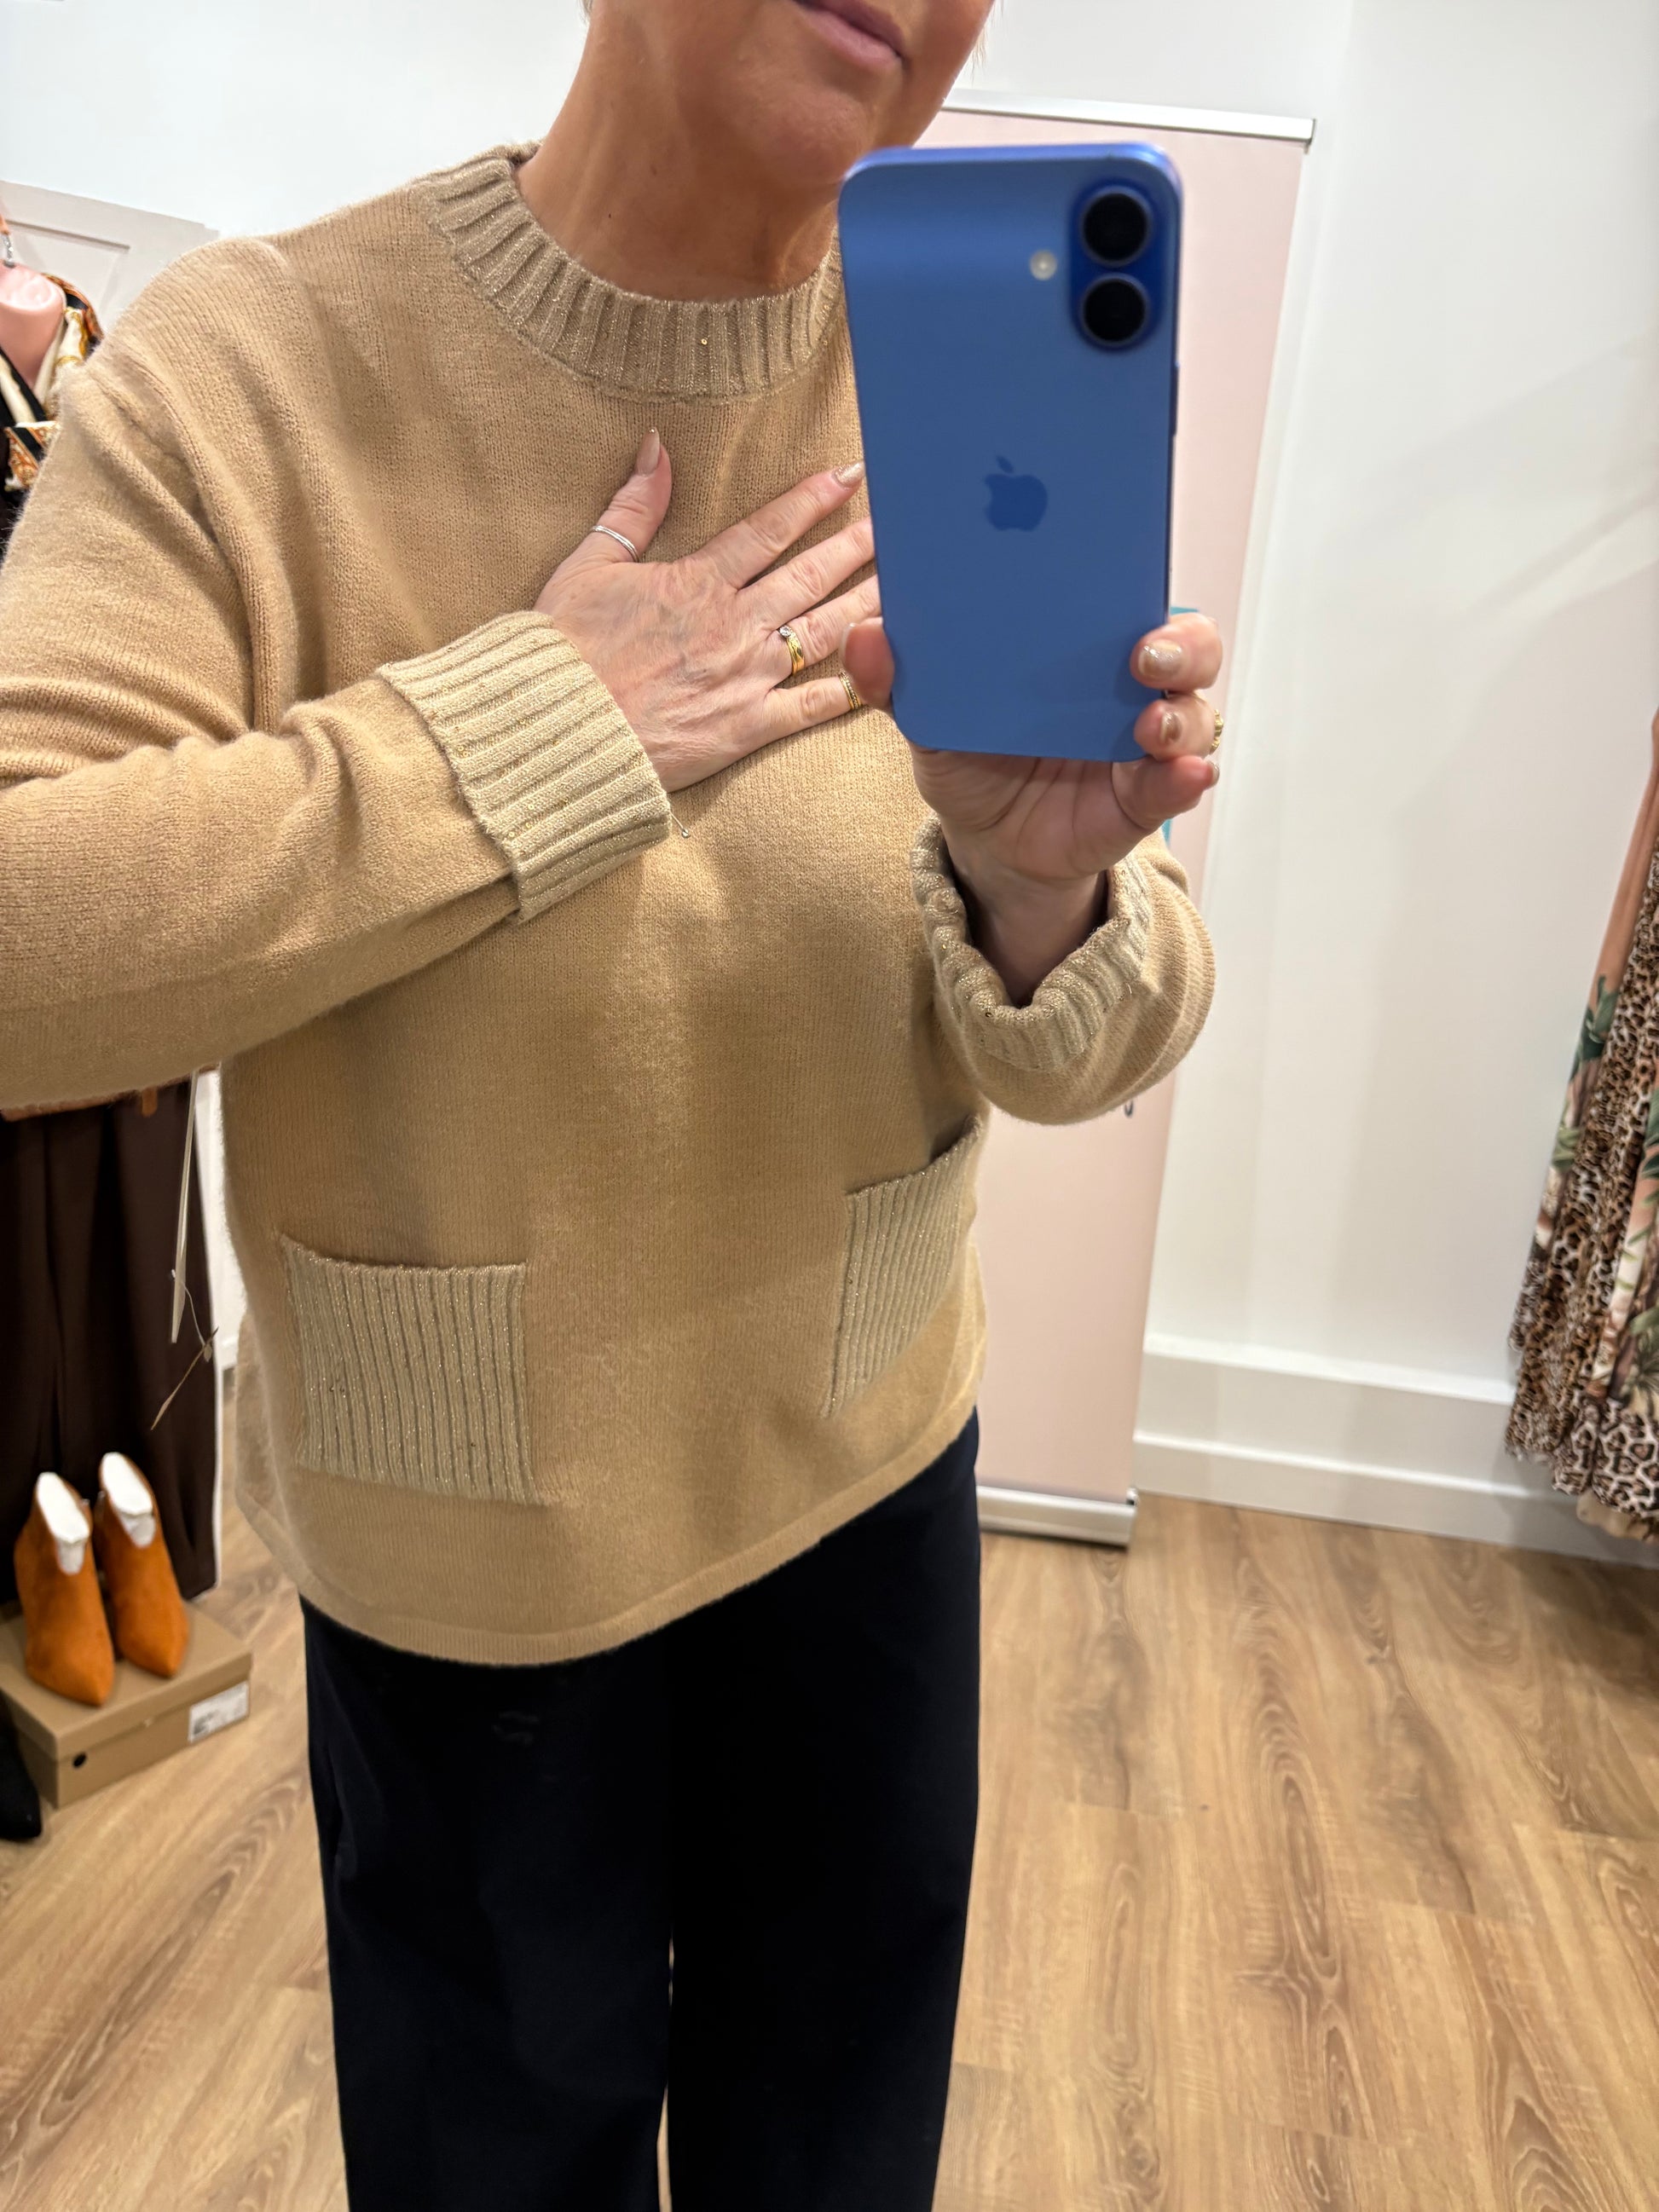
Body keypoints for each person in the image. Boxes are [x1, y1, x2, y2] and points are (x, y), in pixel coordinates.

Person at [0, 1, 1219, 2204]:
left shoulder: (958, 383)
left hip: (869, 1474)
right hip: (474, 1545)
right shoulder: (256, 370)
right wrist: (545, 723)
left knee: (835, 2160)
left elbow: (1096, 1046)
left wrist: (1041, 890)